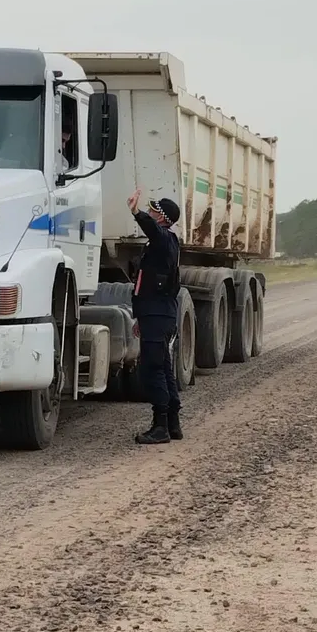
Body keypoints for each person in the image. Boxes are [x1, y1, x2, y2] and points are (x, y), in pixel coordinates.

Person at [127, 188, 183, 444]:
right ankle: (172, 424)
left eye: (153, 210)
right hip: (155, 314)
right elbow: (144, 284)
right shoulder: (164, 242)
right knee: (164, 367)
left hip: (158, 314)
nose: (149, 212)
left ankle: (160, 427)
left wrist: (136, 212)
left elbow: (152, 229)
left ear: (161, 218)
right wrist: (140, 316)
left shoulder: (163, 239)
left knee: (151, 369)